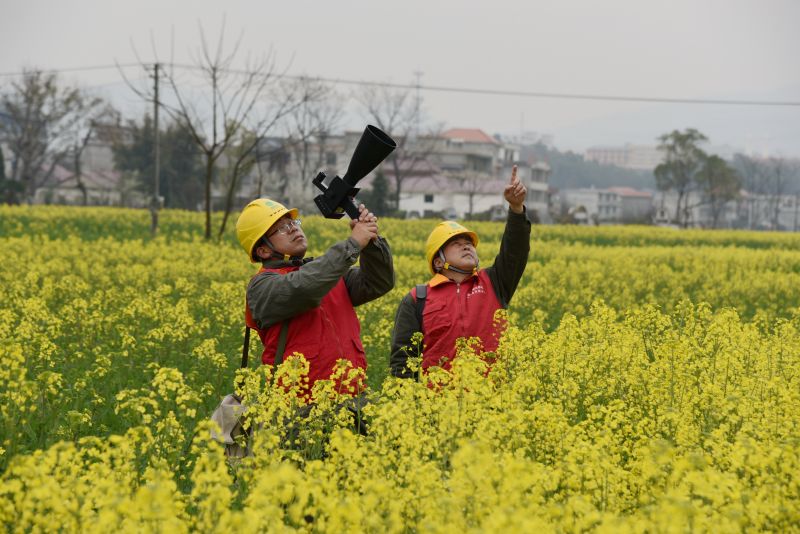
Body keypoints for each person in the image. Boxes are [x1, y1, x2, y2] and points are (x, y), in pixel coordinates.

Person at [235, 198, 394, 401]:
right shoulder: (261, 286)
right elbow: (305, 287)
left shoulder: (327, 272)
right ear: (263, 250)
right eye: (282, 228)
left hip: (354, 403)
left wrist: (370, 241)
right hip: (299, 411)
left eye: (292, 222)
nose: (293, 229)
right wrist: (353, 244)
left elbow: (379, 282)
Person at [390, 166, 529, 379]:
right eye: (456, 243)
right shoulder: (417, 299)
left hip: (489, 404)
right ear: (438, 261)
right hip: (436, 406)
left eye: (469, 243)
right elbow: (403, 361)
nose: (467, 247)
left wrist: (516, 208)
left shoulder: (494, 282)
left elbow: (515, 251)